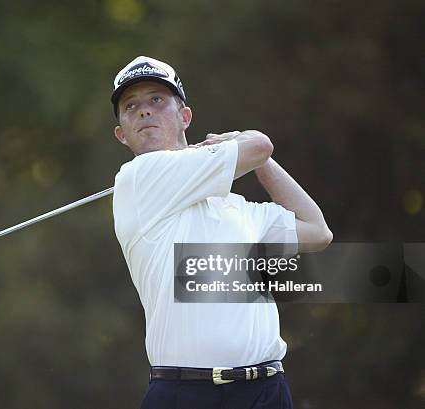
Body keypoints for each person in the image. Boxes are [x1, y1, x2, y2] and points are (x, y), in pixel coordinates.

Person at [110, 56, 333, 409]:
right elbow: (260, 145)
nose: (144, 112)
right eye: (131, 106)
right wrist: (243, 143)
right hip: (186, 392)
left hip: (267, 390)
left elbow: (317, 231)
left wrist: (264, 164)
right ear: (122, 133)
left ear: (185, 116)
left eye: (157, 100)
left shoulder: (238, 208)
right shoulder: (139, 177)